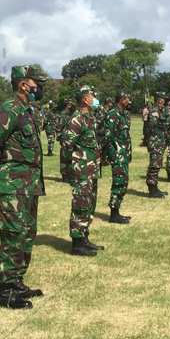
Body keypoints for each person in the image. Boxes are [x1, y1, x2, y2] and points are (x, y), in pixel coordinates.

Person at [0, 65, 46, 309]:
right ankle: (4, 291)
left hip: (28, 184)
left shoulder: (25, 109)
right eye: (35, 83)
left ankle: (17, 280)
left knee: (27, 233)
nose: (38, 87)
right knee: (13, 234)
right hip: (13, 184)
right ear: (23, 85)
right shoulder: (9, 108)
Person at [63, 85, 104, 256]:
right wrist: (71, 167)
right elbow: (67, 144)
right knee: (80, 205)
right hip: (81, 170)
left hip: (91, 170)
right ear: (85, 100)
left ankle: (84, 237)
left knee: (89, 204)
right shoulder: (77, 118)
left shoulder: (89, 117)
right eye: (93, 96)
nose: (95, 99)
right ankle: (77, 243)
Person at [104, 89, 133, 224]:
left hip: (123, 154)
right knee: (119, 182)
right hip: (117, 155)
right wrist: (111, 155)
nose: (129, 100)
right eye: (127, 98)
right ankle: (114, 214)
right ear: (122, 99)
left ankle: (117, 210)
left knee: (123, 182)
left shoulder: (122, 114)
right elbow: (108, 136)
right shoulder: (113, 114)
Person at [145, 92, 168, 198]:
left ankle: (155, 187)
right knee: (154, 164)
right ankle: (152, 189)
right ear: (159, 100)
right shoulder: (155, 110)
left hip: (159, 141)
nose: (164, 101)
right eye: (163, 99)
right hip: (155, 141)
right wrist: (159, 136)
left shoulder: (159, 110)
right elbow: (151, 127)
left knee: (157, 163)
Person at [58, 99, 75, 182]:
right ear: (67, 105)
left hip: (70, 137)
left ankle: (70, 173)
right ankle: (64, 174)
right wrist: (59, 136)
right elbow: (60, 126)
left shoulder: (71, 114)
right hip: (65, 137)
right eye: (71, 105)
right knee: (64, 156)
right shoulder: (63, 114)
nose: (72, 107)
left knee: (71, 156)